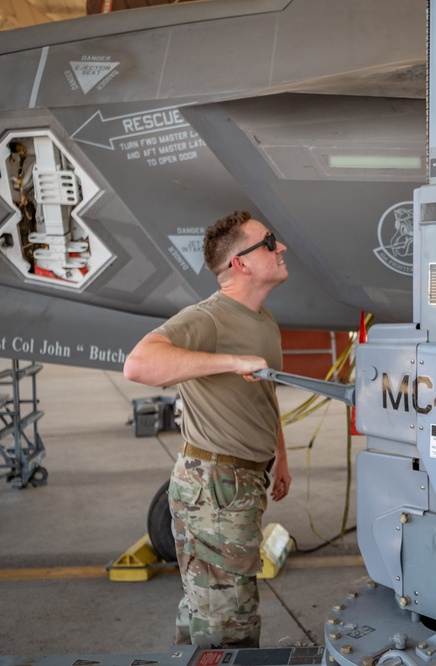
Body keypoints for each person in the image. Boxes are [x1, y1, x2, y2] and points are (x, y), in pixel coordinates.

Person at [123, 210, 292, 648]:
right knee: (227, 623)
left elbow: (264, 395)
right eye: (269, 242)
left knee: (210, 609)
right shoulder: (209, 318)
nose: (281, 247)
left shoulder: (263, 319)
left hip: (242, 482)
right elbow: (139, 364)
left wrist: (281, 457)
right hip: (214, 486)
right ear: (241, 262)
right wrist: (231, 362)